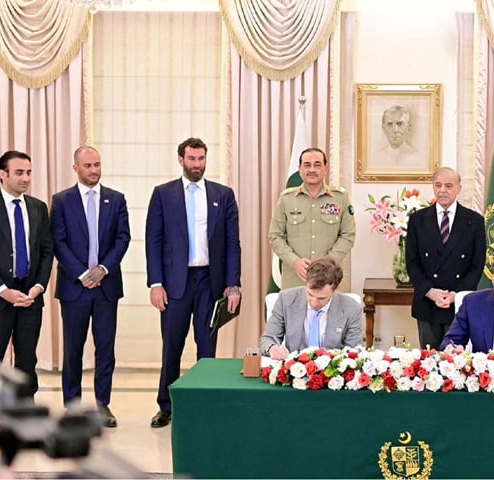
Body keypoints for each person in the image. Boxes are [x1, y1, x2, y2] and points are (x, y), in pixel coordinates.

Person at [145, 137, 242, 428]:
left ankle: (204, 404)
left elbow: (232, 243)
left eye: (201, 159)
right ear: (181, 160)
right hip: (174, 284)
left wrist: (232, 283)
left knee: (207, 347)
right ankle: (166, 406)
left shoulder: (223, 195)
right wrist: (155, 283)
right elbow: (154, 240)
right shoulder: (163, 194)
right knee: (172, 346)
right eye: (192, 159)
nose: (197, 164)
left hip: (209, 283)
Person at [50, 146, 131, 428]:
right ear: (76, 168)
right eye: (88, 166)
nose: (94, 170)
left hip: (106, 287)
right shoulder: (61, 201)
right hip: (75, 288)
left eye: (97, 164)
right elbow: (58, 241)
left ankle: (102, 405)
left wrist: (102, 270)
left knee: (105, 348)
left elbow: (123, 239)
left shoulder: (116, 199)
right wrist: (83, 273)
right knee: (73, 349)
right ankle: (72, 407)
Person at [0, 151, 53, 413]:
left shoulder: (38, 207)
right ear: (2, 174)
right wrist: (3, 291)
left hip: (30, 296)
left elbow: (46, 251)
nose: (26, 178)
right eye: (19, 172)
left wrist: (38, 287)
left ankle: (25, 410)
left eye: (29, 172)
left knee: (27, 360)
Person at [405, 167, 485, 349]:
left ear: (459, 188)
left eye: (449, 186)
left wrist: (456, 295)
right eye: (438, 185)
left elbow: (477, 265)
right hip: (427, 302)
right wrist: (430, 291)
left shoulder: (474, 221)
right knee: (428, 363)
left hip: (458, 303)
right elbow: (412, 262)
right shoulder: (418, 220)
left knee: (457, 362)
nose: (443, 190)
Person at [268, 147, 356, 289]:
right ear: (300, 169)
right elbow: (275, 236)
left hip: (331, 277)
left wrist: (327, 263)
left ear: (325, 168)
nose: (312, 170)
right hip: (295, 278)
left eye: (317, 165)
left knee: (333, 311)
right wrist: (294, 261)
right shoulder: (286, 199)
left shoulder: (341, 198)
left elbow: (348, 235)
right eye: (307, 165)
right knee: (295, 311)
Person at [259, 257, 363, 358]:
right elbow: (267, 339)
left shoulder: (352, 308)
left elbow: (353, 352)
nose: (314, 302)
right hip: (293, 369)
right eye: (310, 294)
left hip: (332, 372)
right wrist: (272, 348)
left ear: (335, 289)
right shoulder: (286, 299)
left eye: (321, 298)